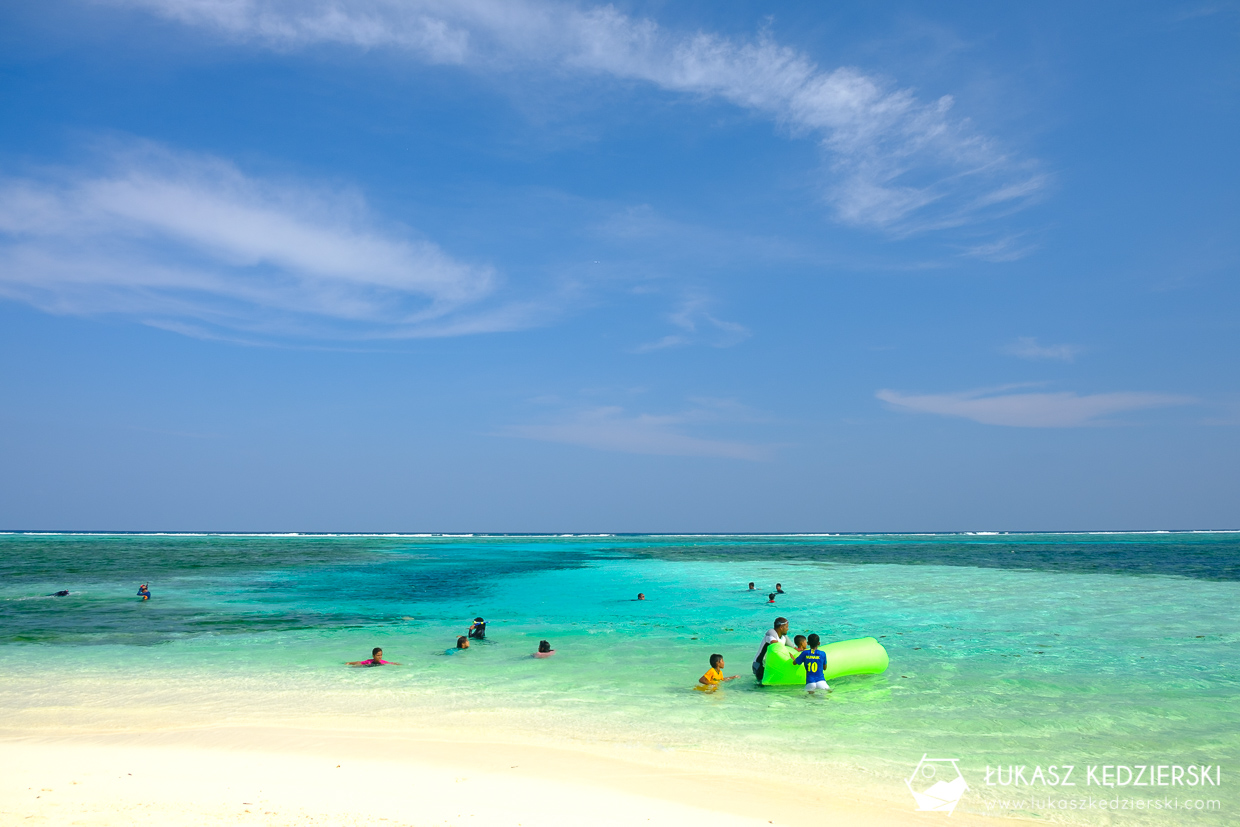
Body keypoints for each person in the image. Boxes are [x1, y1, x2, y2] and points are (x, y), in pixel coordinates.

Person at [752, 617, 791, 682]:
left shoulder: (784, 637)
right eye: (786, 627)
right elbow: (775, 645)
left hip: (770, 666)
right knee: (762, 688)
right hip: (759, 665)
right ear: (781, 627)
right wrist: (788, 654)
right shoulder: (770, 635)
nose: (788, 629)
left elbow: (793, 647)